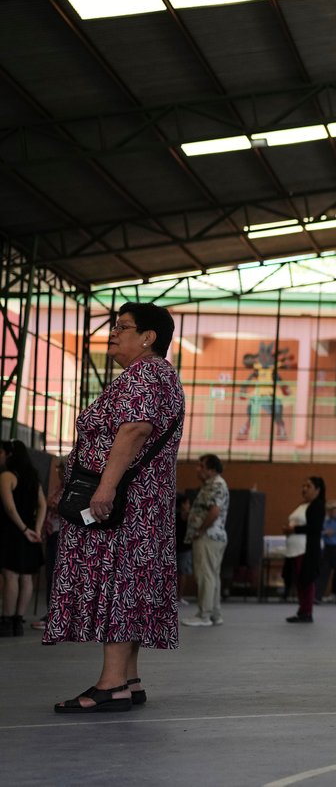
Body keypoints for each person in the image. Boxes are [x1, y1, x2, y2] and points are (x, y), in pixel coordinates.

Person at [46, 303, 185, 713]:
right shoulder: (159, 375)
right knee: (132, 584)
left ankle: (110, 684)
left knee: (118, 584)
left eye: (123, 327)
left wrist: (104, 489)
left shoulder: (146, 373)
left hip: (127, 504)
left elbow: (135, 429)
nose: (113, 333)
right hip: (144, 504)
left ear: (148, 337)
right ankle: (128, 679)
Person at [1, 440, 46, 637]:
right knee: (26, 577)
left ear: (9, 454)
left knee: (11, 575)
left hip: (13, 531)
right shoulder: (32, 477)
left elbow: (9, 508)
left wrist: (24, 529)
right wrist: (35, 528)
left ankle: (7, 620)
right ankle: (18, 621)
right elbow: (42, 505)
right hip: (30, 532)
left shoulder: (7, 476)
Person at [181, 454, 229, 628]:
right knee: (213, 576)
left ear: (212, 469)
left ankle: (204, 615)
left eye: (201, 466)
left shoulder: (216, 485)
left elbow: (214, 511)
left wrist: (200, 530)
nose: (197, 469)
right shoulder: (211, 485)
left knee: (205, 576)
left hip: (208, 536)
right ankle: (215, 614)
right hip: (213, 536)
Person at [283, 477, 325, 623]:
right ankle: (302, 610)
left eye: (308, 486)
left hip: (305, 549)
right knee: (299, 582)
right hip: (294, 549)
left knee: (306, 581)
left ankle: (307, 612)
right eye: (303, 485)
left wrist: (293, 529)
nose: (304, 488)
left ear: (317, 490)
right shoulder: (303, 505)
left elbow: (315, 528)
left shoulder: (317, 506)